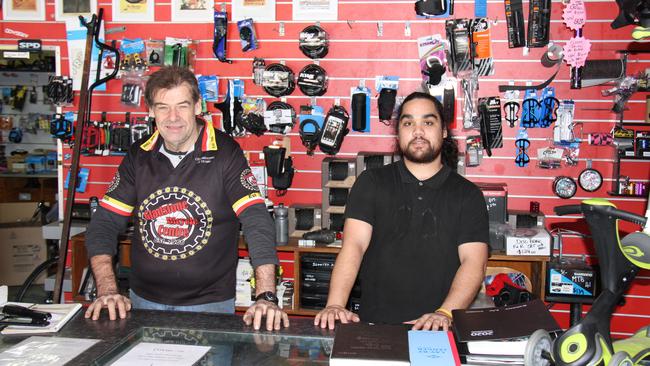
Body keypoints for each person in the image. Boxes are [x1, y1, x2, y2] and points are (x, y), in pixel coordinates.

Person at [84, 66, 289, 331]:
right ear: (149, 110)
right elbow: (104, 223)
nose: (173, 117)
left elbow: (256, 220)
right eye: (162, 107)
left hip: (210, 305)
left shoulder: (225, 153)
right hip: (144, 302)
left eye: (182, 105)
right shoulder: (139, 155)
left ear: (197, 106)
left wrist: (266, 296)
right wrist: (107, 289)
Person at [314, 91, 489, 331]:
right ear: (398, 133)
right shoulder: (371, 183)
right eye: (408, 123)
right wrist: (334, 304)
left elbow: (473, 262)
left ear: (444, 132)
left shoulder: (468, 195)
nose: (418, 131)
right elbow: (354, 246)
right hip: (374, 327)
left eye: (428, 122)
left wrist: (444, 313)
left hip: (438, 328)